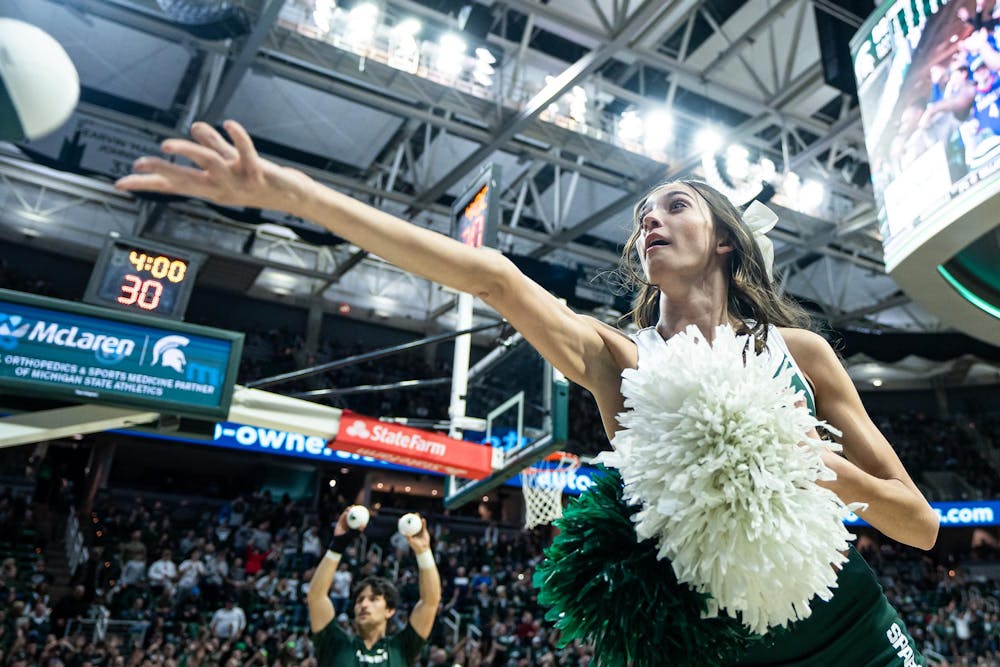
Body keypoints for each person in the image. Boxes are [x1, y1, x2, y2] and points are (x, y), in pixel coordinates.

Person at [116, 121, 939, 664]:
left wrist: (831, 478)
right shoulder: (620, 358)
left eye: (674, 206)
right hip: (718, 645)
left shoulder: (802, 355)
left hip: (852, 624)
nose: (650, 219)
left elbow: (923, 525)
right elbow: (492, 276)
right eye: (641, 213)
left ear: (723, 239)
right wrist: (294, 196)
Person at [304, 508, 440, 666]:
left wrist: (424, 552)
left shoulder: (402, 647)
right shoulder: (335, 644)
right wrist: (338, 545)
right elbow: (316, 596)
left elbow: (430, 601)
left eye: (373, 599)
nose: (364, 605)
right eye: (360, 600)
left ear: (390, 611)